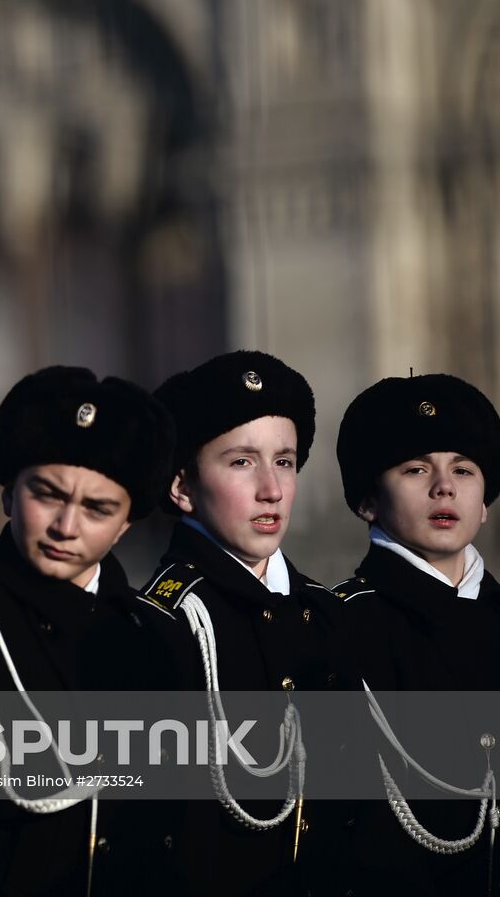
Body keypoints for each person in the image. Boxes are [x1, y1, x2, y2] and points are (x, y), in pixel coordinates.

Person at [0, 366, 176, 895]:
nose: (66, 526)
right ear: (7, 493)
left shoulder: (155, 637)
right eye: (46, 494)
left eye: (97, 508)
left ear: (126, 523)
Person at [129, 350, 354, 896]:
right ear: (181, 486)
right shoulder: (155, 629)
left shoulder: (333, 617)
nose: (271, 489)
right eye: (241, 462)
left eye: (284, 460)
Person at [332, 373, 500, 895]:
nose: (444, 486)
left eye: (464, 469)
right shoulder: (338, 626)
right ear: (367, 502)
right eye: (415, 468)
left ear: (484, 503)